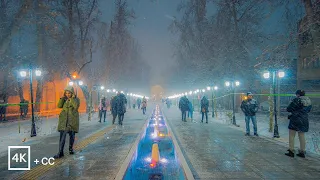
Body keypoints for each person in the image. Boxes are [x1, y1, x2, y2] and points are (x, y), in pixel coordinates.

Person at [54, 86, 80, 158]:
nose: (67, 94)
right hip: (64, 121)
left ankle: (71, 149)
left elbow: (76, 106)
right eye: (66, 93)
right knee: (62, 137)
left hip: (72, 121)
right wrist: (62, 98)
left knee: (72, 136)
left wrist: (72, 99)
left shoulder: (76, 99)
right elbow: (59, 106)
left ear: (72, 93)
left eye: (69, 93)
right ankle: (60, 152)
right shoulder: (64, 99)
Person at [285, 90, 312, 158]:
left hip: (296, 119)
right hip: (304, 119)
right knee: (302, 135)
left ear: (298, 94)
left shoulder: (297, 100)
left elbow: (289, 108)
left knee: (292, 135)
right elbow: (308, 110)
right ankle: (302, 151)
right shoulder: (308, 101)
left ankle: (291, 151)